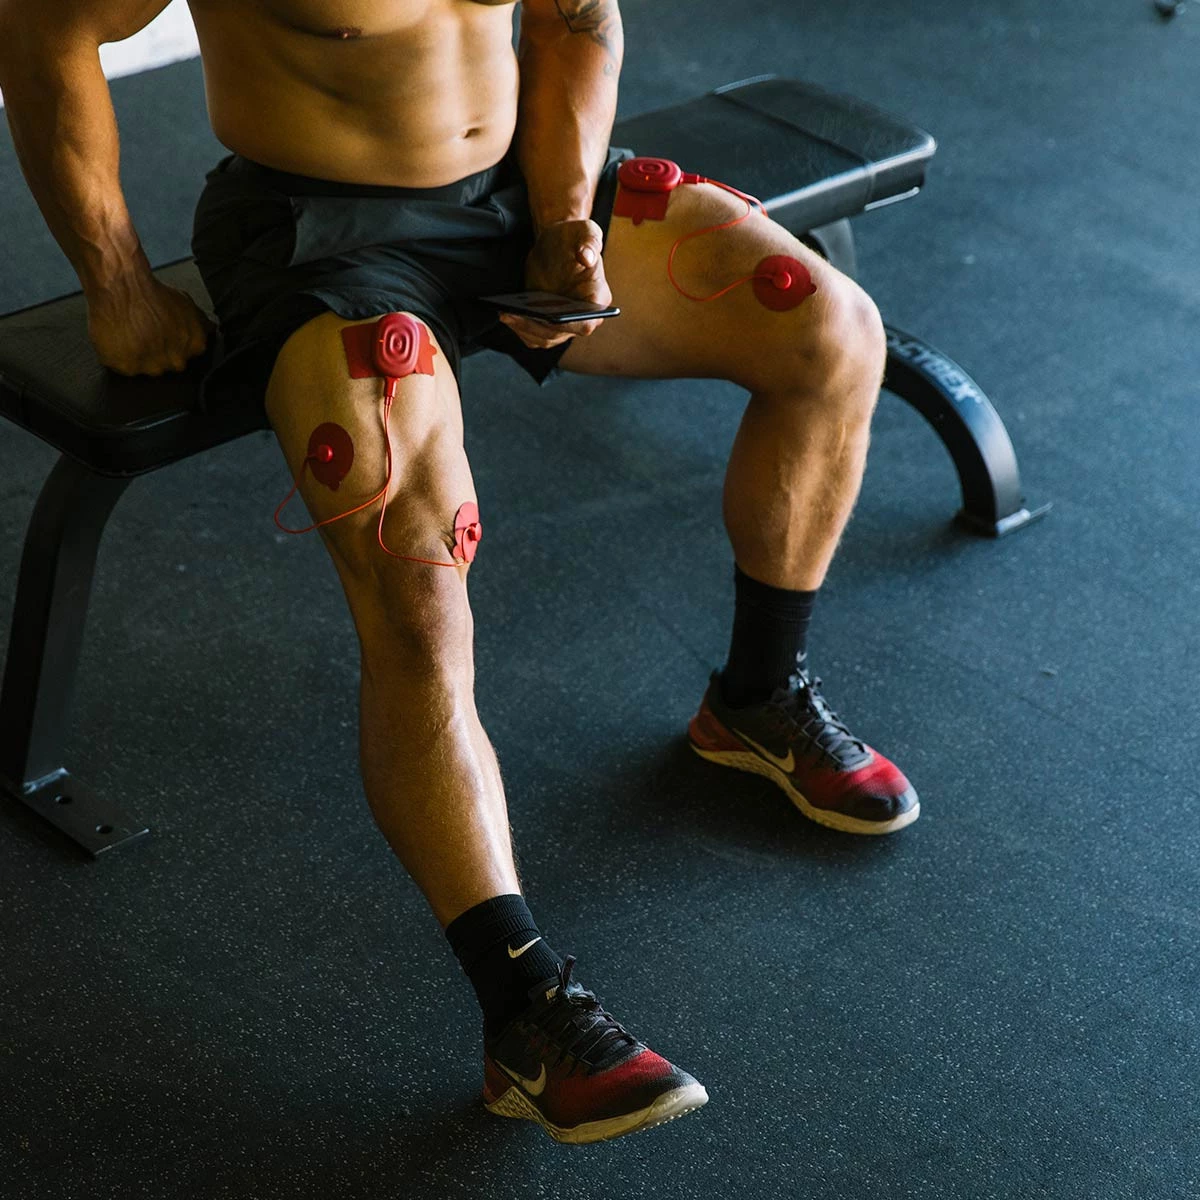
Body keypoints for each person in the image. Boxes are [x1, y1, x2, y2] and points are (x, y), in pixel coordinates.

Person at [0, 0, 919, 1146]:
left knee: (832, 331)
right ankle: (524, 1007)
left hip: (518, 188)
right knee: (417, 567)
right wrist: (116, 283)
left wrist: (565, 218)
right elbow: (43, 24)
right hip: (324, 235)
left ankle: (757, 698)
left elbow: (576, 16)